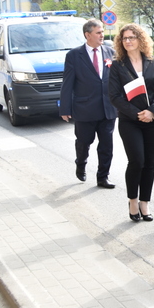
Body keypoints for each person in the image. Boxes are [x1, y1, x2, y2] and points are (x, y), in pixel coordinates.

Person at [108, 24, 154, 221]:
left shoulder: (152, 61)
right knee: (137, 161)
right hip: (129, 121)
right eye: (124, 38)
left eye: (132, 37)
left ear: (141, 39)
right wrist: (137, 114)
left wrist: (151, 111)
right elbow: (115, 97)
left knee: (150, 163)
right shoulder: (118, 65)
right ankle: (133, 200)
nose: (128, 41)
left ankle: (145, 203)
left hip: (151, 119)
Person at [60, 19, 118, 188]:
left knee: (107, 145)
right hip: (84, 109)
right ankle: (81, 163)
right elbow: (67, 83)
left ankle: (103, 177)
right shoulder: (74, 55)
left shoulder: (110, 52)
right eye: (98, 32)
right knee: (84, 141)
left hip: (108, 108)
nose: (102, 35)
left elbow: (117, 79)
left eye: (102, 32)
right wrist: (65, 108)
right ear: (88, 35)